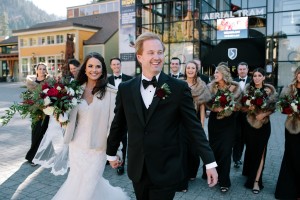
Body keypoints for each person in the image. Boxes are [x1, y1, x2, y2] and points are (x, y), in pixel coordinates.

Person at [106, 32, 218, 200]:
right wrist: (111, 153)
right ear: (140, 57)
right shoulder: (125, 88)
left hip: (166, 168)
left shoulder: (179, 88)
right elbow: (119, 123)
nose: (156, 57)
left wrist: (209, 162)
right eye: (151, 53)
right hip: (138, 168)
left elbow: (194, 128)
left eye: (159, 52)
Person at [52, 52, 129, 200]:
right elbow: (67, 119)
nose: (94, 70)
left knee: (89, 182)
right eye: (90, 66)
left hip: (98, 148)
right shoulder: (74, 91)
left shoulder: (112, 93)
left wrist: (116, 152)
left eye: (98, 66)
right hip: (77, 145)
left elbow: (116, 126)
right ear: (85, 69)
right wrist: (59, 116)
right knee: (77, 181)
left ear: (103, 70)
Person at [204, 63, 241, 193]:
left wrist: (229, 106)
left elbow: (239, 105)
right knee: (214, 149)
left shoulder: (235, 87)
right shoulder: (211, 87)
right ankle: (213, 175)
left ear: (224, 74)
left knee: (226, 151)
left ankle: (224, 181)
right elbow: (207, 102)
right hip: (215, 123)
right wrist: (214, 107)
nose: (215, 75)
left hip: (229, 124)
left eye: (217, 73)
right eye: (214, 73)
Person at [241, 68, 277, 194]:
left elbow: (273, 108)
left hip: (264, 125)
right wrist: (248, 107)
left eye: (259, 75)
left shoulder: (269, 91)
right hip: (250, 126)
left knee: (261, 152)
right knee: (251, 151)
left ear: (263, 77)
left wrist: (264, 114)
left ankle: (257, 182)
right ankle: (251, 175)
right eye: (254, 76)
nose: (256, 78)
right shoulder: (248, 90)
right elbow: (242, 108)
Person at [182, 60, 211, 189]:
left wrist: (201, 124)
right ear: (185, 70)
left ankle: (192, 172)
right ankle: (183, 174)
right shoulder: (180, 84)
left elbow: (203, 106)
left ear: (196, 70)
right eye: (188, 68)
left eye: (192, 68)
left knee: (194, 151)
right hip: (182, 122)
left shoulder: (202, 85)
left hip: (195, 122)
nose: (190, 70)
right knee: (183, 150)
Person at [275, 67, 300, 199]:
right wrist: (289, 110)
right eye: (299, 73)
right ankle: (288, 190)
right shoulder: (288, 89)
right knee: (291, 156)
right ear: (296, 75)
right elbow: (281, 106)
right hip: (292, 128)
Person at [108, 57, 133, 175]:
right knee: (111, 134)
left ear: (120, 65)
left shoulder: (129, 79)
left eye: (118, 64)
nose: (116, 66)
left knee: (123, 137)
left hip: (124, 112)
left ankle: (121, 163)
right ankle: (111, 156)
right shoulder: (106, 81)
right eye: (114, 65)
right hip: (110, 112)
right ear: (111, 66)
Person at [25, 63, 50, 166]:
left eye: (44, 69)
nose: (42, 71)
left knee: (43, 133)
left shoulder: (49, 82)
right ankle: (33, 156)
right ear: (37, 70)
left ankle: (40, 156)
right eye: (40, 69)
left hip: (46, 111)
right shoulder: (31, 83)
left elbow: (52, 95)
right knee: (35, 132)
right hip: (35, 111)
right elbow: (28, 96)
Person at [232, 62, 251, 168]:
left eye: (244, 69)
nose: (242, 71)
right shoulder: (233, 81)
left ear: (247, 70)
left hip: (248, 114)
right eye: (240, 69)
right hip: (235, 114)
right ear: (237, 70)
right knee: (237, 136)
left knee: (246, 137)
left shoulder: (252, 81)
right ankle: (236, 159)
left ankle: (248, 161)